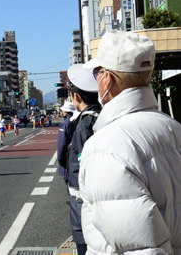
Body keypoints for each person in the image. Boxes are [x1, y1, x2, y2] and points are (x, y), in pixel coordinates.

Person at [79, 30, 181, 254]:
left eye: (97, 71)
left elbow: (140, 248)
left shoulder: (107, 147)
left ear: (107, 79)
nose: (95, 79)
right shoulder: (173, 126)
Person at [66, 64, 102, 255]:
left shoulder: (84, 126)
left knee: (84, 244)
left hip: (83, 200)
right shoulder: (100, 117)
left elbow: (85, 168)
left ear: (76, 97)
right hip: (92, 200)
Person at [56, 101, 76, 184]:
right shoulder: (78, 120)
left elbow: (62, 144)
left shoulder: (65, 124)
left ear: (65, 111)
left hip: (68, 160)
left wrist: (61, 160)